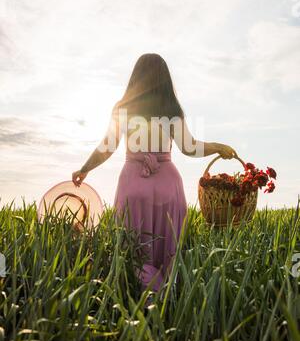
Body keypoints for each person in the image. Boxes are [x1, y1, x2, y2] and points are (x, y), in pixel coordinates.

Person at [72, 53, 237, 293]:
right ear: (165, 78)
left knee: (133, 251)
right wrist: (218, 147)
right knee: (167, 253)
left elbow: (106, 148)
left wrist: (84, 168)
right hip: (169, 187)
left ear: (135, 78)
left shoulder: (122, 109)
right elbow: (189, 148)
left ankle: (136, 301)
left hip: (132, 186)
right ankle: (168, 302)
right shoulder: (171, 108)